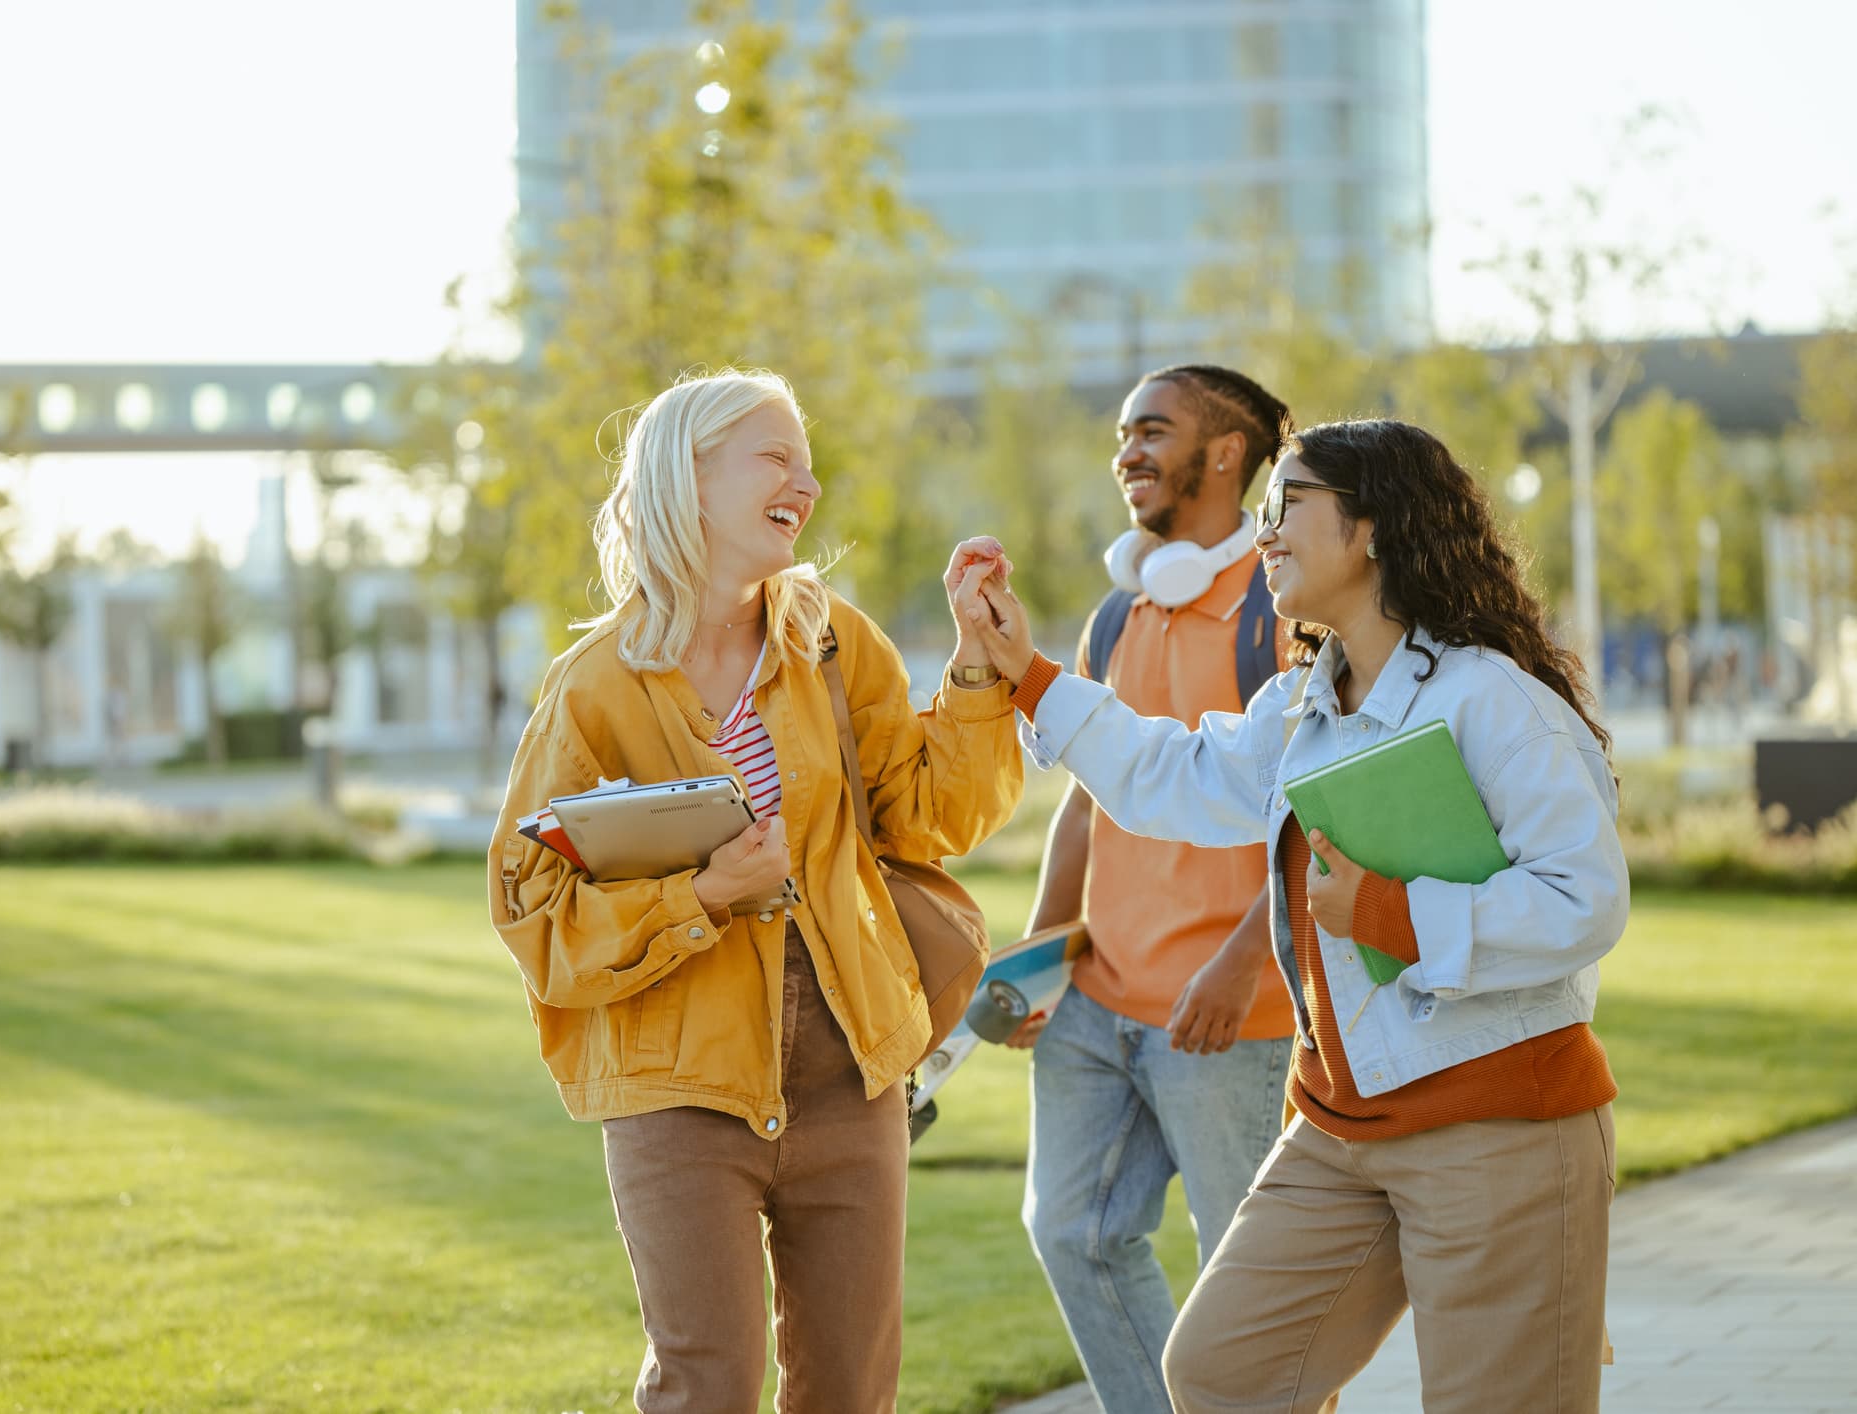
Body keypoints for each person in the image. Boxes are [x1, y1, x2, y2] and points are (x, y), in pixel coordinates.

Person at [956, 418, 1627, 1413]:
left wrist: (1387, 911)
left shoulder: (1494, 700)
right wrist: (1028, 675)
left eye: (1290, 505)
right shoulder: (1303, 705)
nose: (1263, 534)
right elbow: (1162, 778)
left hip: (1498, 1120)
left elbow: (1583, 900)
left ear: (1369, 528)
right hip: (1337, 1127)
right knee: (1223, 1372)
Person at [488, 368, 1023, 1412]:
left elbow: (930, 814)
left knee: (849, 1389)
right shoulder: (593, 686)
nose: (806, 484)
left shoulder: (829, 640)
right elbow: (534, 913)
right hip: (677, 1084)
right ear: (684, 478)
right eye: (774, 457)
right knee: (707, 1387)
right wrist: (701, 893)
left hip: (848, 1071)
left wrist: (973, 671)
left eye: (808, 463)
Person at [1012, 366, 1297, 1413]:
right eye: (1120, 434)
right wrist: (1043, 954)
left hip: (1228, 1012)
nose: (1125, 451)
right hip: (1097, 1001)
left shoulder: (1281, 609)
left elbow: (1311, 813)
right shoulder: (1113, 615)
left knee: (1251, 1285)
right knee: (1071, 1232)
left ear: (1223, 454)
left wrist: (1241, 958)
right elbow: (1085, 799)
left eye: (1151, 431)